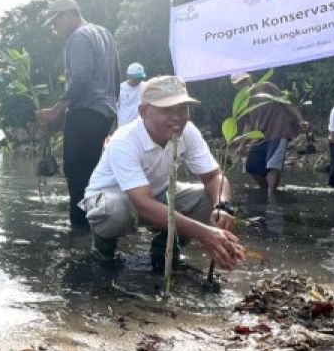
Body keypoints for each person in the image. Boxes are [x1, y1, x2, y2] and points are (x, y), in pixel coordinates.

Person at [80, 75, 245, 272]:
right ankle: (103, 251)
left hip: (158, 192)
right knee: (117, 210)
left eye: (182, 108)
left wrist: (223, 206)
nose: (176, 117)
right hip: (112, 199)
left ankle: (164, 246)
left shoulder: (187, 131)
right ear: (143, 112)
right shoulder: (125, 140)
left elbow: (214, 176)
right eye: (166, 109)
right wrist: (204, 234)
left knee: (207, 197)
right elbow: (142, 202)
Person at [37, 0, 119, 228]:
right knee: (94, 174)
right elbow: (116, 76)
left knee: (76, 175)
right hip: (104, 113)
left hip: (84, 113)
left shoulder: (78, 37)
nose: (55, 28)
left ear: (68, 15)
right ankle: (98, 228)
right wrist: (113, 114)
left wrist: (55, 110)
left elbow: (80, 78)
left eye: (55, 22)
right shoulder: (105, 34)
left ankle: (79, 234)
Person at [231, 72, 308, 203]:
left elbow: (286, 103)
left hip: (279, 129)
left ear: (250, 79)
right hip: (260, 135)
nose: (243, 84)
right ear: (235, 87)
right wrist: (242, 144)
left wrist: (301, 120)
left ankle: (271, 197)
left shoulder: (267, 87)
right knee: (251, 165)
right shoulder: (243, 101)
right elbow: (249, 123)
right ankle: (267, 191)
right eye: (239, 83)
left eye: (244, 80)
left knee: (273, 164)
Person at [116, 62, 147, 128]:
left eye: (140, 78)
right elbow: (115, 109)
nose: (138, 80)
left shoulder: (145, 86)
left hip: (141, 127)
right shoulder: (119, 89)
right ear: (128, 75)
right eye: (136, 78)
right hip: (124, 127)